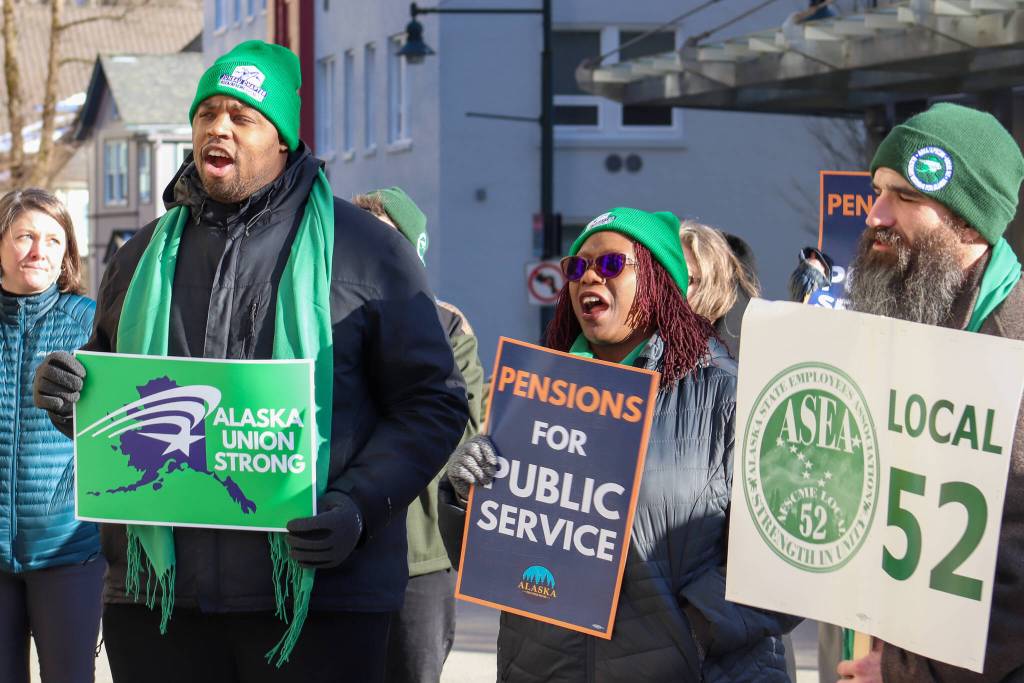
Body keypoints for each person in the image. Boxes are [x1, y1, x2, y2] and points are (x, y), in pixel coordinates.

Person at [32, 40, 468, 682]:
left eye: (242, 115)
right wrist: (70, 397)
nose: (218, 128)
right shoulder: (140, 256)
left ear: (283, 139)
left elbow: (433, 403)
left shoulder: (369, 252)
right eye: (207, 112)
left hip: (321, 599)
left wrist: (357, 505)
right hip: (159, 606)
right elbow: (116, 401)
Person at [442, 207, 799, 681]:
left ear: (657, 281)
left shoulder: (731, 396)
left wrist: (691, 629)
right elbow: (497, 557)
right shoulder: (534, 397)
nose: (589, 275)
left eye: (610, 264)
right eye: (576, 267)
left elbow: (788, 558)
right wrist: (467, 497)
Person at [839, 102, 1024, 681]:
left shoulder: (1011, 345)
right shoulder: (908, 316)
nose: (876, 215)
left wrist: (904, 671)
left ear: (969, 222)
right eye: (877, 190)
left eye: (906, 197)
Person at [352, 187, 486, 683]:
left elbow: (462, 431)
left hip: (419, 558)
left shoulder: (447, 325)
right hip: (332, 554)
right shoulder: (313, 321)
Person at [0, 188, 102, 682]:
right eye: (24, 236)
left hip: (68, 550)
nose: (39, 251)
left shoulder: (89, 323)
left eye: (53, 240)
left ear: (67, 255)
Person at [679, 221, 761, 357]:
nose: (670, 285)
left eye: (684, 278)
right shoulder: (642, 345)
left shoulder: (738, 367)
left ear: (712, 287)